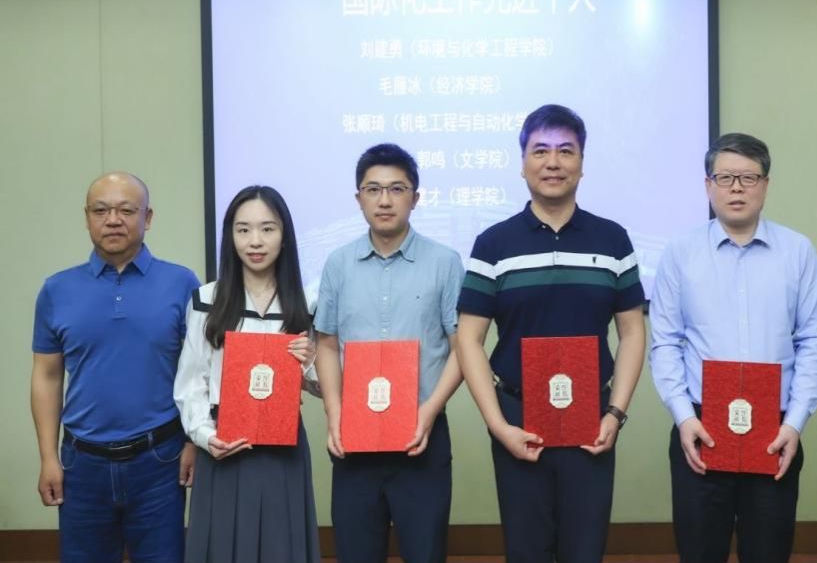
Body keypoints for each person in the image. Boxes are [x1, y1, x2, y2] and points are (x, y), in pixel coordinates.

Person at [455, 104, 647, 563]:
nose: (553, 162)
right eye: (540, 151)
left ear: (582, 162)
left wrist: (615, 414)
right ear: (522, 163)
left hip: (592, 418)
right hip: (517, 417)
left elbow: (632, 332)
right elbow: (468, 339)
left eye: (566, 150)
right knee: (526, 550)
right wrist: (498, 426)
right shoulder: (494, 243)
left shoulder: (612, 239)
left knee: (585, 549)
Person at [649, 133, 817, 563]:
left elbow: (815, 341)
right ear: (707, 185)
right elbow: (666, 342)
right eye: (725, 177)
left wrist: (795, 423)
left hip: (775, 431)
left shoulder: (798, 251)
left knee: (768, 551)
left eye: (748, 178)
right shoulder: (680, 252)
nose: (736, 188)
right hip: (701, 428)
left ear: (765, 185)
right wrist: (683, 417)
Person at [31, 172, 200, 562]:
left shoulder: (181, 283)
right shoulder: (56, 290)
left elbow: (200, 371)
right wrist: (48, 458)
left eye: (126, 210)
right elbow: (46, 377)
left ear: (148, 217)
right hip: (81, 465)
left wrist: (193, 442)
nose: (113, 220)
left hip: (160, 461)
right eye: (101, 210)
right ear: (86, 217)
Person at [314, 143, 464, 563]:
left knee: (425, 553)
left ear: (415, 198)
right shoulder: (338, 264)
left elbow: (462, 349)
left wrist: (429, 411)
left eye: (397, 189)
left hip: (422, 435)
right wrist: (334, 413)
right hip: (354, 438)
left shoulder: (445, 262)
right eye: (373, 189)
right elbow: (326, 343)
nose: (384, 200)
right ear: (358, 198)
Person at [174, 185, 320, 562]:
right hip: (223, 443)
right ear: (230, 236)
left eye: (268, 229)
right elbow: (191, 383)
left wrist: (309, 361)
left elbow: (323, 386)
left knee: (281, 548)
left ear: (285, 236)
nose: (255, 241)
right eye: (243, 229)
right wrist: (206, 436)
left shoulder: (307, 303)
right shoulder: (206, 300)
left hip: (284, 446)